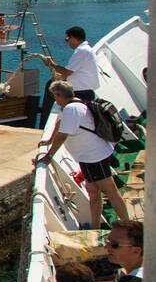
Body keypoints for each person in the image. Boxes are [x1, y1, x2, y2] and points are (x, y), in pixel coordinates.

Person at [35, 80, 128, 228]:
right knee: (93, 193)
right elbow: (60, 124)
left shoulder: (71, 110)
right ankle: (96, 227)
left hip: (94, 157)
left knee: (110, 191)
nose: (55, 100)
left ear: (59, 95)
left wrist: (49, 156)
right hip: (89, 157)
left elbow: (63, 135)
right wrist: (49, 140)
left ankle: (127, 225)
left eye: (55, 96)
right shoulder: (76, 104)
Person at [45, 26, 99, 102]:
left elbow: (68, 71)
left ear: (73, 38)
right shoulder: (86, 50)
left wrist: (51, 64)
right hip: (85, 92)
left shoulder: (81, 51)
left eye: (67, 39)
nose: (67, 42)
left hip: (81, 93)